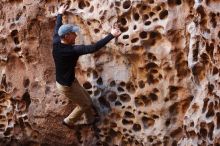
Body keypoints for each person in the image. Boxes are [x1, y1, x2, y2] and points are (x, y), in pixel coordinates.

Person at [52, 4, 121, 128]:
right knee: (85, 104)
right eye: (73, 33)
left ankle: (89, 120)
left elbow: (57, 26)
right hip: (66, 86)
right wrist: (111, 35)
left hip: (68, 80)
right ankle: (68, 121)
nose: (76, 35)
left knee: (87, 100)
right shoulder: (71, 50)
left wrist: (60, 13)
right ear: (67, 36)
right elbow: (93, 48)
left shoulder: (57, 40)